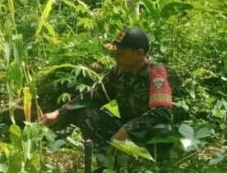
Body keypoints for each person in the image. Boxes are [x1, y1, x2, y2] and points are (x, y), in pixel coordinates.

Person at [40, 27, 174, 152]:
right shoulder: (118, 71)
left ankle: (153, 167)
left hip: (144, 133)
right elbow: (93, 96)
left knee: (162, 130)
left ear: (139, 53)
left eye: (121, 54)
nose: (116, 59)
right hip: (121, 130)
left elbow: (162, 113)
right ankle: (104, 157)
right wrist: (59, 113)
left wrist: (128, 130)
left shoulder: (155, 74)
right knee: (88, 114)